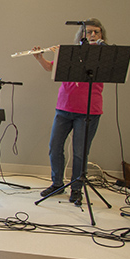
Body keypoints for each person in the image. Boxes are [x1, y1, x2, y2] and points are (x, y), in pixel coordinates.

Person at [31, 18, 107, 204]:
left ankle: (76, 189)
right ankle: (57, 184)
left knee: (80, 152)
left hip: (89, 110)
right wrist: (40, 57)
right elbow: (52, 68)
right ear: (81, 35)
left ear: (101, 35)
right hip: (64, 107)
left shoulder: (103, 55)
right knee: (55, 147)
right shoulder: (70, 53)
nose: (92, 35)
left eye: (96, 32)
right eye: (88, 32)